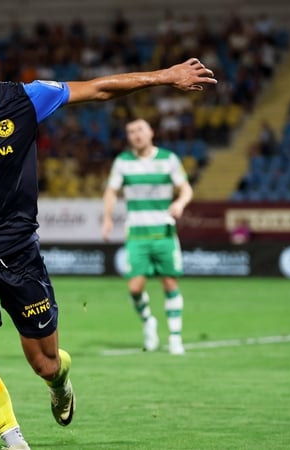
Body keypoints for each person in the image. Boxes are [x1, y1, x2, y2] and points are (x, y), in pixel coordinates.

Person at [0, 20, 215, 450]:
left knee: (46, 362)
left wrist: (164, 76)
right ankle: (15, 441)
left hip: (19, 258)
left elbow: (99, 89)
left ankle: (60, 384)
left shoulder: (28, 99)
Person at [102, 118, 193, 355]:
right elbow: (111, 191)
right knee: (134, 288)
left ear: (151, 132)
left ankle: (175, 338)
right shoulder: (123, 162)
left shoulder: (168, 159)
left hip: (164, 232)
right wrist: (107, 218)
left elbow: (186, 188)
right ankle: (149, 322)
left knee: (170, 282)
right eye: (131, 131)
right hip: (137, 235)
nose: (136, 135)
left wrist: (180, 203)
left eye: (140, 129)